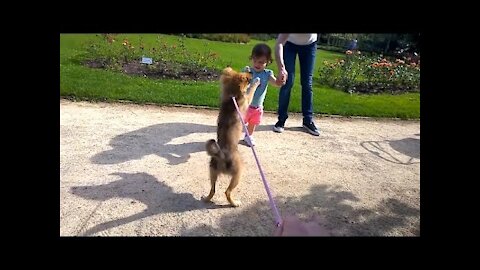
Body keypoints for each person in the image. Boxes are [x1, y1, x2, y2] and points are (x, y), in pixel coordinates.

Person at [273, 33, 320, 136]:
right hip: (289, 44)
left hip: (310, 45)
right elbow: (279, 43)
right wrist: (281, 68)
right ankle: (281, 119)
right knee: (287, 82)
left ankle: (308, 120)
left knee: (307, 83)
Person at [241, 43, 284, 147]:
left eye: (261, 62)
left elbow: (275, 83)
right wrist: (244, 73)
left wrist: (280, 81)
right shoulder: (249, 71)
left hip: (257, 106)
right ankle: (233, 135)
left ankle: (249, 136)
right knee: (239, 123)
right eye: (255, 61)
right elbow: (240, 84)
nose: (257, 64)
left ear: (268, 62)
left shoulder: (267, 73)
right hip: (245, 105)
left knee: (253, 122)